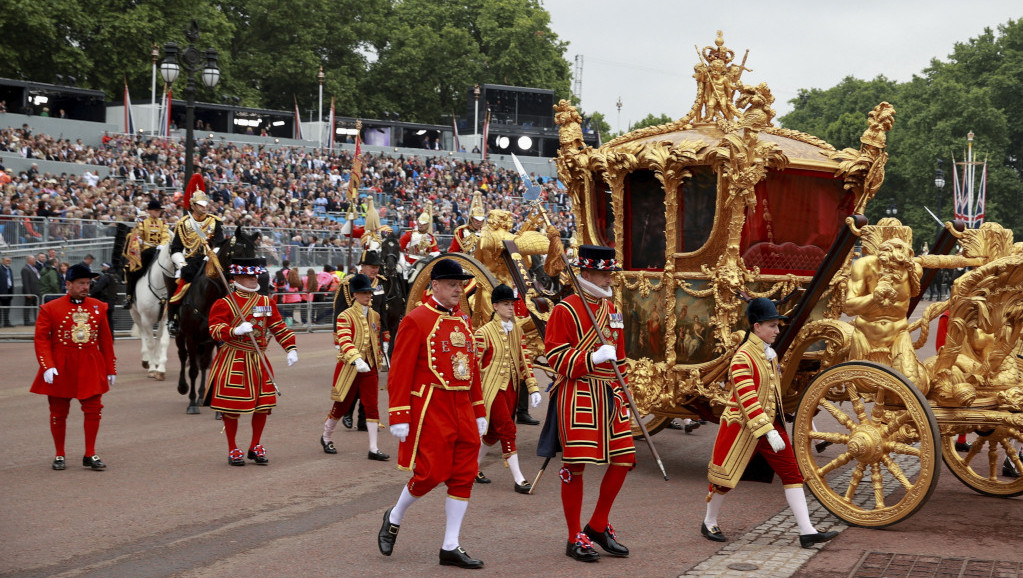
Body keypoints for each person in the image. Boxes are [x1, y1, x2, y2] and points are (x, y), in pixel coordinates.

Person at [702, 297, 838, 548]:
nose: (777, 330)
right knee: (724, 480)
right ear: (756, 327)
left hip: (770, 427)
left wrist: (777, 425)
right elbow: (747, 398)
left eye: (777, 325)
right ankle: (709, 521)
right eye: (772, 325)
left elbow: (772, 394)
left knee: (792, 473)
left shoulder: (768, 354)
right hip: (743, 429)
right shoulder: (743, 357)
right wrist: (767, 430)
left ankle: (806, 531)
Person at [377, 258, 487, 569]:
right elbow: (399, 371)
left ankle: (450, 545)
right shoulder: (416, 319)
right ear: (435, 285)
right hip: (431, 407)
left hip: (462, 406)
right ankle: (395, 515)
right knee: (430, 474)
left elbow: (472, 369)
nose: (458, 289)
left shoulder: (464, 320)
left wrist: (478, 410)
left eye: (459, 284)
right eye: (452, 284)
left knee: (465, 474)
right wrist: (398, 414)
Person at [542, 245, 633, 562]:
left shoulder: (614, 310)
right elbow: (555, 356)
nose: (610, 278)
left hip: (610, 393)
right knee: (575, 465)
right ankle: (572, 537)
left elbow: (620, 358)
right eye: (605, 272)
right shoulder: (565, 310)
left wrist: (624, 391)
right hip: (578, 392)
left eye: (611, 272)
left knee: (625, 458)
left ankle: (597, 524)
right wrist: (591, 357)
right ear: (587, 273)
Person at [206, 258, 299, 466]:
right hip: (234, 357)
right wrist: (233, 331)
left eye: (254, 276)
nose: (253, 280)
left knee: (263, 405)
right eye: (248, 277)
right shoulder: (226, 302)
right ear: (236, 278)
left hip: (258, 359)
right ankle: (233, 447)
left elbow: (278, 327)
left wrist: (290, 347)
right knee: (232, 407)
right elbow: (214, 328)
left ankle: (255, 444)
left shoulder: (266, 302)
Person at [30, 263, 116, 471]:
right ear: (68, 284)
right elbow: (41, 339)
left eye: (88, 283)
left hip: (89, 364)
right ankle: (60, 454)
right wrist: (47, 365)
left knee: (94, 409)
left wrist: (110, 368)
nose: (86, 287)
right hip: (61, 365)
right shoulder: (50, 308)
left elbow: (105, 340)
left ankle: (90, 453)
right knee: (58, 412)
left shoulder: (98, 306)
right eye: (81, 283)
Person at [474, 284, 541, 492]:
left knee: (492, 434)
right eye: (506, 304)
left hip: (512, 388)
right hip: (492, 390)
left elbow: (524, 361)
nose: (511, 308)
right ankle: (519, 478)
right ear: (495, 306)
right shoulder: (483, 332)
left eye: (512, 304)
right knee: (508, 430)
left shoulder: (517, 330)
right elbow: (474, 368)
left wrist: (533, 388)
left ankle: (472, 467)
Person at [321, 273, 388, 460]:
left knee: (372, 406)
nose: (369, 296)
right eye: (364, 292)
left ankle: (373, 448)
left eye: (369, 292)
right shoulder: (345, 316)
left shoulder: (374, 315)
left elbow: (375, 337)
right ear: (355, 294)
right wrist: (357, 359)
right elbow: (344, 340)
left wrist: (382, 351)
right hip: (350, 367)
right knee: (341, 405)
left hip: (370, 367)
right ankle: (326, 437)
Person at [331, 250, 390, 431]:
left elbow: (383, 310)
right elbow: (339, 309)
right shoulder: (348, 284)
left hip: (373, 337)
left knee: (370, 382)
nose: (375, 270)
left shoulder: (380, 284)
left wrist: (385, 336)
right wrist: (338, 339)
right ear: (362, 266)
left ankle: (365, 419)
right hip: (353, 338)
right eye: (372, 267)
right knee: (354, 382)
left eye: (377, 267)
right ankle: (347, 413)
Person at [166, 175, 224, 336]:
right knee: (178, 284)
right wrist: (182, 264)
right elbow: (176, 248)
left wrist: (210, 256)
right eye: (200, 205)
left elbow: (219, 243)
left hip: (210, 260)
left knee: (226, 283)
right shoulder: (183, 224)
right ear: (193, 205)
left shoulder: (215, 221)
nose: (205, 207)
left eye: (206, 204)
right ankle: (173, 319)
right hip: (190, 262)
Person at [123, 199, 170, 309]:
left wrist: (163, 244)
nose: (158, 212)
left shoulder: (163, 224)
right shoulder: (143, 224)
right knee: (132, 270)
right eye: (156, 210)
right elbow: (138, 235)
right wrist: (138, 240)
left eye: (159, 211)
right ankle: (129, 296)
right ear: (149, 211)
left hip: (160, 251)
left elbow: (166, 236)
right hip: (147, 251)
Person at [89, 262, 119, 330]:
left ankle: (106, 338)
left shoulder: (106, 276)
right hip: (111, 301)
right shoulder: (115, 276)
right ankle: (111, 338)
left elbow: (98, 288)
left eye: (104, 266)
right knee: (109, 320)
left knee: (104, 321)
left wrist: (91, 294)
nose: (103, 267)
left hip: (105, 301)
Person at [21, 255, 39, 325]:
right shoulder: (25, 269)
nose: (35, 261)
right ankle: (26, 321)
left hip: (36, 291)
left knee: (36, 306)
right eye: (34, 259)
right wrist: (28, 293)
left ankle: (37, 319)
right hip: (30, 292)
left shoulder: (34, 268)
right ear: (29, 260)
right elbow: (25, 282)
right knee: (27, 306)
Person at [0, 256, 14, 327]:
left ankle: (6, 322)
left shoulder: (9, 269)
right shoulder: (1, 269)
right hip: (1, 292)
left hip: (9, 291)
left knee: (7, 308)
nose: (8, 262)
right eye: (7, 261)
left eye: (9, 261)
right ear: (2, 261)